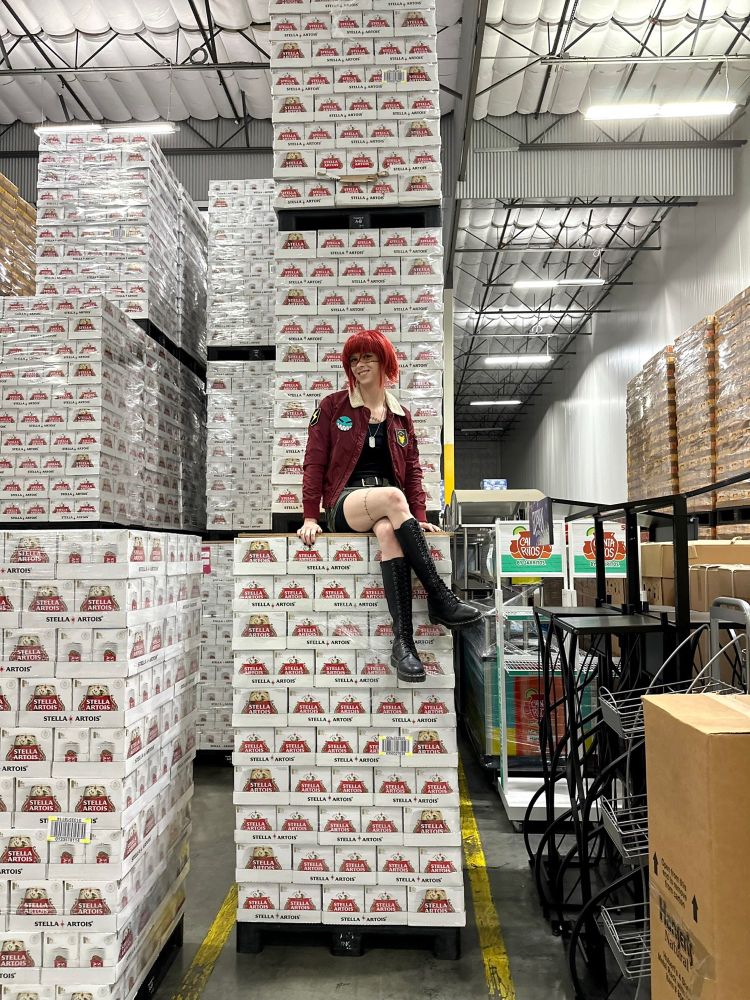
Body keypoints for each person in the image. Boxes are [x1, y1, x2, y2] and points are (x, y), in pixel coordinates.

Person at [297, 329, 481, 683]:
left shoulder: (400, 416)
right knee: (394, 498)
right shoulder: (333, 406)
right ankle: (440, 599)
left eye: (368, 357)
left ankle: (404, 645)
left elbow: (412, 470)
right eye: (354, 359)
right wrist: (309, 515)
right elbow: (314, 462)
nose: (360, 365)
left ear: (385, 362)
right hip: (344, 502)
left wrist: (419, 517)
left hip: (383, 508)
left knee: (388, 534)